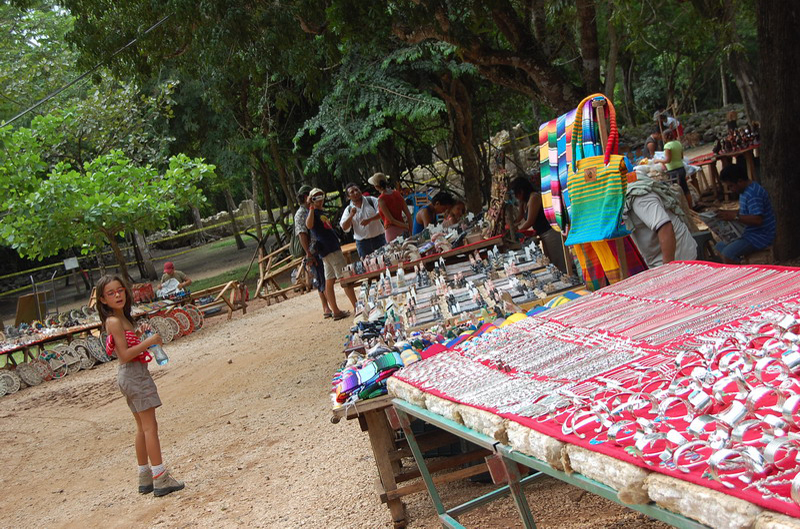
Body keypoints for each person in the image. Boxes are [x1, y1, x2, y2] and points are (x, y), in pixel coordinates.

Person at [96, 274, 185, 497]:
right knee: (150, 428)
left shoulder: (120, 318)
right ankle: (161, 479)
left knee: (141, 428)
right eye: (111, 293)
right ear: (103, 300)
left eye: (120, 290)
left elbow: (126, 346)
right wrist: (150, 341)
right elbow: (124, 355)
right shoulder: (114, 321)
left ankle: (145, 477)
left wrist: (138, 335)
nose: (117, 295)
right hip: (134, 375)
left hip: (131, 376)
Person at [305, 188, 357, 320]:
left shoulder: (321, 212)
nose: (319, 199)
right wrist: (311, 207)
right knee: (344, 277)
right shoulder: (313, 212)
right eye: (315, 197)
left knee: (329, 280)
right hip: (330, 249)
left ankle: (335, 310)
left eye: (320, 196)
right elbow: (309, 225)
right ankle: (357, 307)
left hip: (328, 249)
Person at [624, 176, 697, 268]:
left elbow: (665, 227)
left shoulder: (640, 197)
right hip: (660, 258)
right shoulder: (622, 197)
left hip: (678, 257)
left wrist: (667, 268)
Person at [715, 164, 776, 263]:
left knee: (728, 254)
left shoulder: (753, 194)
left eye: (731, 186)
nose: (731, 189)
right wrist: (727, 213)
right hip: (749, 233)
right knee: (719, 247)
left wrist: (735, 216)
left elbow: (757, 219)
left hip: (760, 235)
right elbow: (747, 212)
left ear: (740, 181)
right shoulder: (744, 191)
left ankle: (740, 273)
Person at [509, 176, 567, 273]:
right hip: (543, 234)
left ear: (521, 191)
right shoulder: (524, 201)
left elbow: (529, 221)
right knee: (551, 261)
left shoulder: (534, 198)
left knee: (559, 262)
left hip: (550, 232)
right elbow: (519, 217)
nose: (516, 197)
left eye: (516, 193)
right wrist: (512, 226)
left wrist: (517, 231)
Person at [294, 185, 332, 318]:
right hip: (313, 250)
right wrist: (309, 254)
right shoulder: (301, 213)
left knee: (323, 277)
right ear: (306, 197)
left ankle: (328, 307)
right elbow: (302, 234)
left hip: (319, 247)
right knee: (322, 278)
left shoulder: (311, 210)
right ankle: (328, 307)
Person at [339, 182, 386, 258]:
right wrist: (351, 216)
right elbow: (344, 227)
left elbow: (383, 213)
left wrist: (370, 220)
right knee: (367, 267)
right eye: (352, 192)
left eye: (356, 190)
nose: (356, 193)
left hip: (379, 238)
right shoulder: (348, 209)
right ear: (348, 197)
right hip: (363, 244)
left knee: (386, 262)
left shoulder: (371, 200)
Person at [367, 172, 412, 242]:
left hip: (391, 230)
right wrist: (409, 228)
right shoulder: (397, 194)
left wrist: (406, 226)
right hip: (403, 228)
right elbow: (408, 215)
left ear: (376, 187)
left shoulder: (381, 199)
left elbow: (391, 220)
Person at [661, 129, 692, 207]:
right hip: (681, 168)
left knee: (676, 191)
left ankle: (682, 208)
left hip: (673, 170)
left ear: (665, 137)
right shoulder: (678, 143)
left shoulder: (667, 146)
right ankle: (691, 207)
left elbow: (668, 160)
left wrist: (658, 160)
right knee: (685, 189)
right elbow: (681, 156)